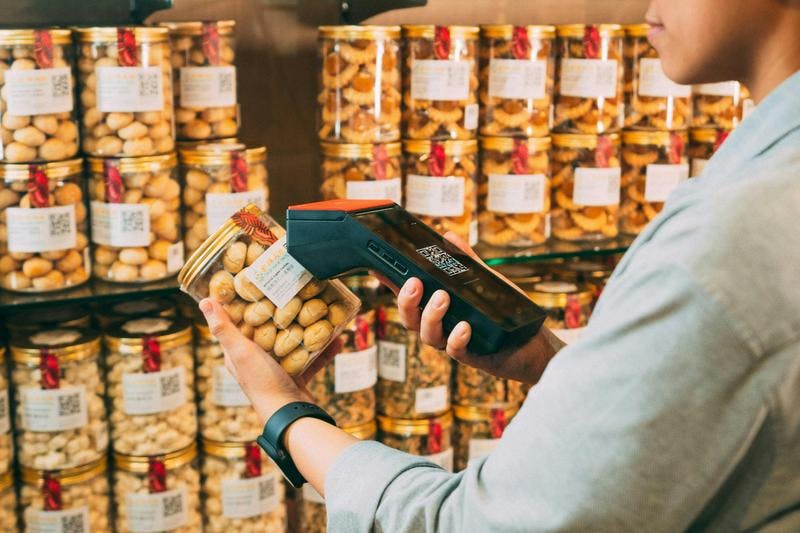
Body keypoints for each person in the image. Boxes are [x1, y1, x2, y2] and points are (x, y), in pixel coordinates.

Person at [199, 0, 800, 530]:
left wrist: (284, 409)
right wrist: (552, 360)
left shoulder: (727, 241)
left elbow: (470, 524)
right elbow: (708, 421)